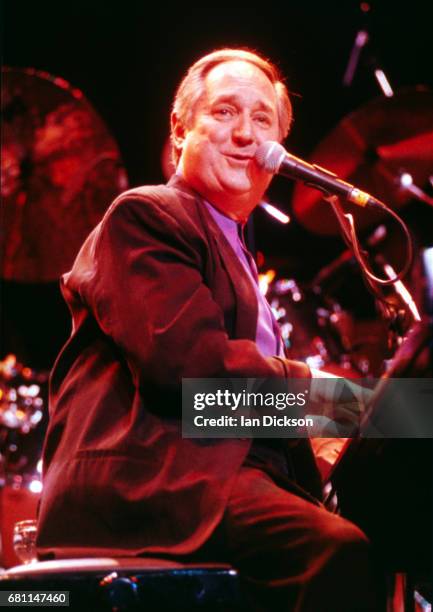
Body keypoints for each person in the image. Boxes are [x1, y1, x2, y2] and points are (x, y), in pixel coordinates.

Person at [37, 48, 381, 610]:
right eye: (224, 112)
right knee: (333, 550)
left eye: (262, 119)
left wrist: (348, 437)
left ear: (279, 149)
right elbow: (192, 377)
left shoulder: (237, 250)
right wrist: (336, 400)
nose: (246, 133)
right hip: (154, 482)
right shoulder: (146, 215)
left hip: (218, 479)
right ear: (180, 129)